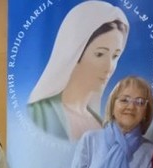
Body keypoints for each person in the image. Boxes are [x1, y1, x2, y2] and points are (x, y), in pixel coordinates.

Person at [27, 0, 128, 141]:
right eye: (100, 54)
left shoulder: (100, 124)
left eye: (115, 56)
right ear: (75, 53)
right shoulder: (38, 113)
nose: (109, 66)